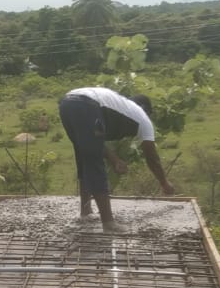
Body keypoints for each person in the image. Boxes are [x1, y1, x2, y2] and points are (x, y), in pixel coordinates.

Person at [58, 87, 175, 233]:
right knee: (95, 163)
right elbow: (152, 157)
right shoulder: (143, 118)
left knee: (85, 155)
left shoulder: (120, 106)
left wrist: (114, 160)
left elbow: (95, 142)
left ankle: (86, 212)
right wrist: (164, 182)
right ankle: (108, 223)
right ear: (146, 110)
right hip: (86, 104)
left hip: (67, 103)